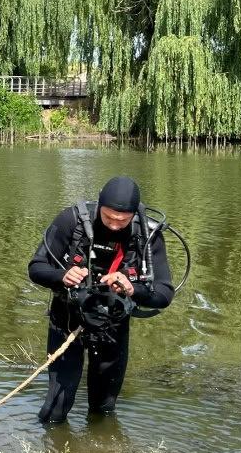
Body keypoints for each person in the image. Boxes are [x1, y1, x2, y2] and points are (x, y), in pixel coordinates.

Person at [28, 176, 174, 424]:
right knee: (56, 408)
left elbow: (164, 294)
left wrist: (132, 289)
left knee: (104, 410)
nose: (115, 226)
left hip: (113, 324)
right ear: (100, 207)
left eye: (123, 220)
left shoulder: (147, 235)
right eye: (108, 218)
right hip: (68, 320)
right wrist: (63, 276)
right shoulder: (71, 221)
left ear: (134, 214)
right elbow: (36, 268)